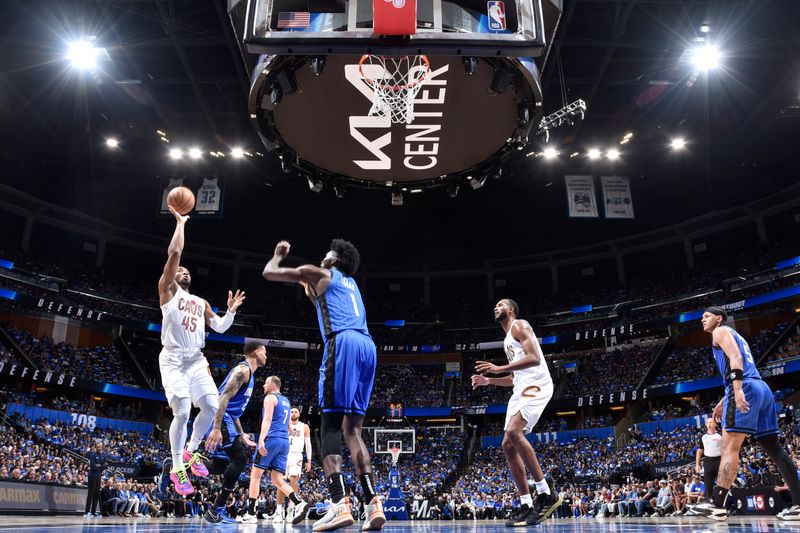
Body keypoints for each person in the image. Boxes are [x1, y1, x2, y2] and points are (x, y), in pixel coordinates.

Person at [262, 239, 385, 532]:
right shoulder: (350, 285)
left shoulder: (321, 273)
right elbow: (319, 301)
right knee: (353, 430)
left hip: (342, 343)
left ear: (335, 258)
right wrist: (308, 287)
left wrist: (278, 256)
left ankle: (338, 503)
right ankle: (373, 503)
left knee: (329, 426)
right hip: (367, 347)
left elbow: (270, 273)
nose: (322, 255)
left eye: (326, 253)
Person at [158, 206, 246, 495]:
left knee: (209, 406)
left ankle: (190, 452)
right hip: (172, 358)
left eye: (186, 271)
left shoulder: (201, 302)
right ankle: (176, 468)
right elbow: (174, 255)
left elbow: (219, 327)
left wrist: (231, 312)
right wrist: (181, 223)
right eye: (180, 270)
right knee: (182, 411)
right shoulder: (168, 291)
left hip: (196, 359)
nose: (183, 271)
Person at [693, 307, 800, 521]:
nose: (702, 319)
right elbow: (742, 362)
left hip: (747, 387)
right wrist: (724, 399)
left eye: (706, 316)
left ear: (719, 318)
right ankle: (798, 505)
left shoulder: (720, 331)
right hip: (761, 388)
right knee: (774, 448)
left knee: (729, 447)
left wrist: (737, 389)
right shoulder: (737, 336)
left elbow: (735, 358)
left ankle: (717, 504)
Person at [471, 299, 561, 526]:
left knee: (513, 432)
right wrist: (488, 380)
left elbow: (534, 358)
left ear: (510, 310)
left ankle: (546, 493)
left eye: (500, 304)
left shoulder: (519, 325)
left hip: (537, 384)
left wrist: (498, 367)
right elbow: (514, 378)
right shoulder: (507, 340)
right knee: (507, 444)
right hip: (522, 387)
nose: (495, 307)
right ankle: (526, 505)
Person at [201, 342, 267, 524]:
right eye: (264, 352)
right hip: (221, 419)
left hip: (228, 419)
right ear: (255, 352)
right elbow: (223, 398)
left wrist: (242, 433)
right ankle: (216, 509)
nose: (266, 356)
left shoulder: (249, 374)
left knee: (219, 467)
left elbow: (235, 409)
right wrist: (216, 428)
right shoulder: (243, 371)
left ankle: (181, 463)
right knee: (240, 459)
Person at [240, 376, 309, 524]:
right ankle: (300, 503)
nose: (263, 386)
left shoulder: (270, 398)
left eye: (265, 383)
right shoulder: (287, 401)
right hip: (284, 442)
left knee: (255, 475)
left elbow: (267, 419)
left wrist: (261, 439)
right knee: (278, 480)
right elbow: (290, 428)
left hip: (272, 438)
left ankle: (251, 513)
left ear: (272, 384)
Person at [276, 407, 313, 523]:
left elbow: (308, 444)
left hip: (296, 455)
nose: (293, 413)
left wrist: (309, 460)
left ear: (299, 414)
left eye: (296, 411)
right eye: (292, 411)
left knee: (294, 481)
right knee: (280, 482)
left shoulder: (304, 427)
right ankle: (279, 511)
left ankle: (291, 509)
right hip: (283, 454)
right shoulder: (284, 424)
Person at [695, 418, 721, 501]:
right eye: (708, 422)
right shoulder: (703, 437)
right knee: (708, 484)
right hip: (708, 461)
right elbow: (699, 451)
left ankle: (723, 502)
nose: (709, 424)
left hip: (719, 460)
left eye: (711, 422)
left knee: (722, 483)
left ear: (715, 425)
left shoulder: (720, 435)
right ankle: (709, 501)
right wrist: (697, 464)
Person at [84, 441, 107, 517]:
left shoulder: (103, 455)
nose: (99, 448)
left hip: (99, 476)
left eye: (100, 447)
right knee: (90, 493)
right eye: (97, 447)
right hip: (92, 475)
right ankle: (87, 512)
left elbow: (106, 466)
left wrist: (99, 466)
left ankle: (93, 512)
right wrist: (101, 466)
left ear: (102, 447)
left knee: (97, 494)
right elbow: (93, 466)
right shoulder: (92, 455)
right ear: (95, 447)